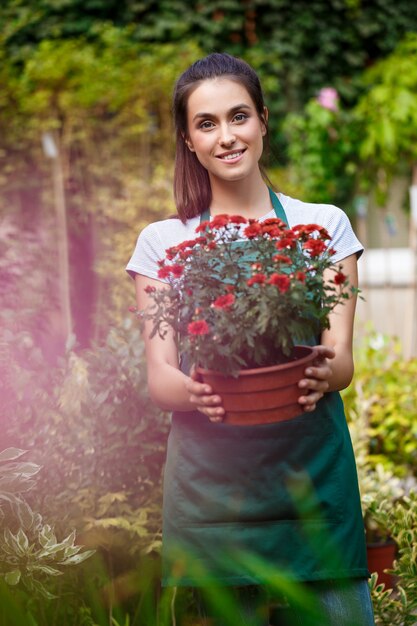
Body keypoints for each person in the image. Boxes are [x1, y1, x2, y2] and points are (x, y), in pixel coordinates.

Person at [127, 53, 375, 626]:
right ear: (188, 140)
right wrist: (197, 393)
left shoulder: (325, 225)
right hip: (216, 494)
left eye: (238, 116)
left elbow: (340, 362)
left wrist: (320, 372)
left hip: (313, 482)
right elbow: (162, 378)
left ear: (263, 120)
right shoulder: (163, 242)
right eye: (206, 124)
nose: (226, 136)